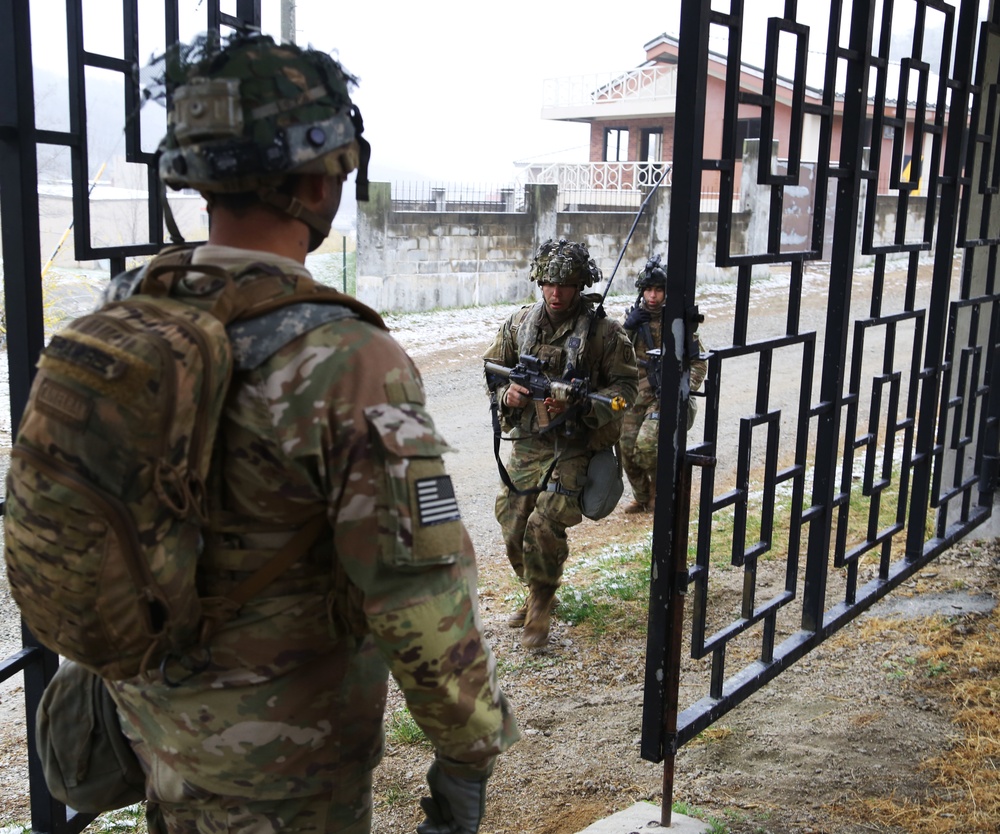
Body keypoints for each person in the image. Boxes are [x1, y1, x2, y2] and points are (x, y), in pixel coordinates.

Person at [106, 32, 517, 834]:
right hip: (281, 769)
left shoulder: (128, 310)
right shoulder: (344, 357)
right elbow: (417, 588)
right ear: (318, 174)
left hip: (151, 728)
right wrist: (468, 751)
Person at [483, 239, 638, 649]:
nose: (556, 293)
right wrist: (507, 396)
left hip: (576, 445)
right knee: (512, 524)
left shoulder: (605, 333)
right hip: (531, 441)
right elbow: (493, 371)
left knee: (544, 524)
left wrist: (586, 405)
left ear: (580, 285)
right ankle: (537, 585)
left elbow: (627, 390)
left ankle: (541, 602)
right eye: (549, 283)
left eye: (566, 285)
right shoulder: (519, 324)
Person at [620, 254, 708, 514]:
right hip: (637, 393)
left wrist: (680, 389)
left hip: (664, 393)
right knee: (626, 449)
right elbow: (614, 356)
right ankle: (642, 496)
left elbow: (698, 362)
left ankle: (661, 492)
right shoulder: (634, 320)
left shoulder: (678, 321)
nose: (653, 296)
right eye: (648, 289)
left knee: (647, 446)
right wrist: (626, 329)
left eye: (659, 290)